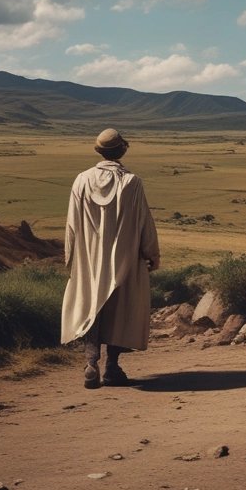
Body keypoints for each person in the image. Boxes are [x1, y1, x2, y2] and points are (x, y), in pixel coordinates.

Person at [60, 128, 160, 388]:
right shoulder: (132, 182)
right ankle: (112, 367)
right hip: (125, 257)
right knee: (120, 310)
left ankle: (91, 362)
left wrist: (70, 256)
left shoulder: (81, 180)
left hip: (89, 258)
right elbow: (143, 222)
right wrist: (151, 253)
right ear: (122, 150)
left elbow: (71, 224)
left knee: (91, 306)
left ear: (99, 151)